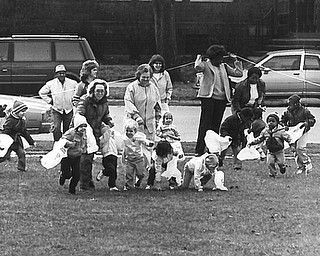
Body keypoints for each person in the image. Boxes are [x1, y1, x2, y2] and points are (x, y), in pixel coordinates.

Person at [194, 44, 243, 156]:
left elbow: (239, 73)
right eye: (218, 58)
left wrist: (236, 61)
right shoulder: (205, 65)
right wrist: (199, 58)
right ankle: (199, 149)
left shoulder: (224, 66)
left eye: (222, 57)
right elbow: (197, 67)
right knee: (205, 125)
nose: (220, 60)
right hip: (208, 98)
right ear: (212, 57)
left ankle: (212, 149)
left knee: (215, 125)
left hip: (221, 99)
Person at [76, 78, 114, 191]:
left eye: (102, 91)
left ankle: (88, 181)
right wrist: (82, 125)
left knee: (90, 158)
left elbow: (105, 115)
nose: (100, 94)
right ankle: (84, 185)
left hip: (95, 133)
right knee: (85, 159)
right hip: (84, 133)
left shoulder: (104, 103)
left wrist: (109, 121)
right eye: (98, 91)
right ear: (92, 91)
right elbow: (79, 113)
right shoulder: (85, 100)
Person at [124, 63, 161, 169]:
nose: (145, 79)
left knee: (148, 148)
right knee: (135, 150)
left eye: (148, 77)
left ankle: (146, 173)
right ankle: (133, 174)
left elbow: (157, 104)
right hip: (134, 124)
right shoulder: (131, 87)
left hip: (149, 123)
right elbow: (128, 103)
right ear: (138, 76)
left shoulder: (153, 87)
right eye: (143, 77)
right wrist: (136, 116)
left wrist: (158, 118)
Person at [39, 64, 78, 141]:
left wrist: (74, 101)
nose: (62, 75)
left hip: (68, 109)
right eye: (60, 73)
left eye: (63, 73)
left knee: (68, 129)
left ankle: (66, 144)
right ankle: (57, 143)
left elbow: (78, 93)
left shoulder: (73, 83)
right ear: (56, 74)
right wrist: (50, 100)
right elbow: (41, 92)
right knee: (56, 128)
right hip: (56, 110)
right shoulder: (51, 83)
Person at [248, 113, 294, 178]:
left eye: (273, 121)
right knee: (270, 163)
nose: (271, 123)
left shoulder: (280, 131)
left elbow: (288, 138)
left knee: (280, 162)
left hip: (279, 151)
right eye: (269, 121)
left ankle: (282, 167)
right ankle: (272, 173)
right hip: (270, 151)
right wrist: (252, 142)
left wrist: (291, 145)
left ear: (277, 122)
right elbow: (260, 138)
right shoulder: (265, 131)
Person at [281, 94, 316, 175]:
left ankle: (307, 163)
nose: (289, 106)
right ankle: (300, 167)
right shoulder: (287, 112)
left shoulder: (305, 111)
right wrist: (284, 125)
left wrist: (307, 123)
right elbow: (282, 120)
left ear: (296, 104)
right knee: (295, 150)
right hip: (293, 133)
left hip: (302, 132)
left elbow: (312, 119)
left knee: (300, 148)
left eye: (290, 104)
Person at [0, 101, 35, 172]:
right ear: (16, 111)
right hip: (9, 141)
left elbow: (24, 132)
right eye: (22, 111)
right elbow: (5, 131)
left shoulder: (22, 121)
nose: (24, 113)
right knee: (4, 156)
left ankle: (21, 169)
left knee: (21, 153)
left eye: (25, 111)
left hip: (16, 141)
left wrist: (31, 142)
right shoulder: (11, 120)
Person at [122, 119, 154, 191]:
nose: (128, 133)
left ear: (135, 131)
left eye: (131, 131)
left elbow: (144, 141)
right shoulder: (124, 138)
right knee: (129, 173)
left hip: (138, 159)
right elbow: (119, 141)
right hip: (129, 159)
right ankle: (128, 186)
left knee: (141, 173)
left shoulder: (138, 137)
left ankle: (138, 180)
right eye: (127, 131)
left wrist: (149, 143)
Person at [59, 114, 87, 194]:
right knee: (67, 174)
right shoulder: (71, 133)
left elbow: (85, 143)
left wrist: (83, 150)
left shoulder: (84, 134)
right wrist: (70, 144)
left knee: (77, 175)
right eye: (81, 126)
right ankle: (63, 175)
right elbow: (62, 141)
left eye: (85, 127)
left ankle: (72, 190)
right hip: (67, 157)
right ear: (77, 126)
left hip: (77, 157)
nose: (83, 129)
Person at [95, 125, 120, 191]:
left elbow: (119, 145)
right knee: (111, 169)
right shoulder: (103, 139)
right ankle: (103, 172)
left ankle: (112, 185)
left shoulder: (113, 138)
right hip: (107, 156)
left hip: (114, 155)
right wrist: (106, 135)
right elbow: (102, 144)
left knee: (114, 172)